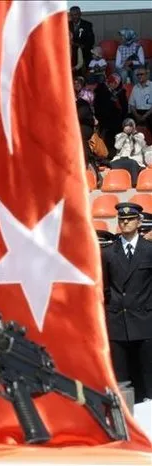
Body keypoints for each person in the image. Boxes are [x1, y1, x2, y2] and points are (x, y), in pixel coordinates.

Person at [102, 202, 152, 404]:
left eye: (130, 219)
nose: (125, 223)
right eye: (121, 220)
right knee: (122, 378)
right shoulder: (109, 253)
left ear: (139, 222)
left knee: (148, 376)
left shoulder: (148, 251)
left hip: (145, 321)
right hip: (118, 322)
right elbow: (106, 288)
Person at [112, 119, 150, 187]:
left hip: (134, 158)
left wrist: (134, 133)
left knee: (132, 163)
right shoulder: (119, 135)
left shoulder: (139, 135)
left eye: (130, 125)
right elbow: (117, 146)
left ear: (133, 126)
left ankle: (134, 183)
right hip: (121, 158)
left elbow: (143, 144)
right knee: (114, 163)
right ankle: (117, 183)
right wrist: (124, 135)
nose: (128, 127)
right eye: (126, 126)